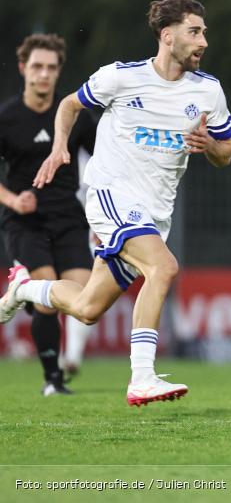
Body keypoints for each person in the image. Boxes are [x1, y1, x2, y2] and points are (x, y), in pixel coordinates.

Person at [0, 0, 231, 407]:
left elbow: (227, 152)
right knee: (163, 267)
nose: (204, 42)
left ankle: (25, 289)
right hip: (111, 194)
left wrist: (211, 144)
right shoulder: (121, 78)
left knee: (88, 307)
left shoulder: (208, 91)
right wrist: (58, 148)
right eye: (194, 32)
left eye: (204, 33)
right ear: (167, 35)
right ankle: (142, 377)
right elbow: (70, 104)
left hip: (155, 212)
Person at [0, 33, 96, 396]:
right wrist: (12, 201)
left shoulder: (75, 116)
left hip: (69, 218)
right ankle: (53, 380)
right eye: (37, 67)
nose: (44, 74)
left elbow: (103, 162)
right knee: (47, 294)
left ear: (58, 72)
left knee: (83, 297)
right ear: (24, 69)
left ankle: (23, 294)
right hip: (25, 221)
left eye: (51, 68)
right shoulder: (7, 118)